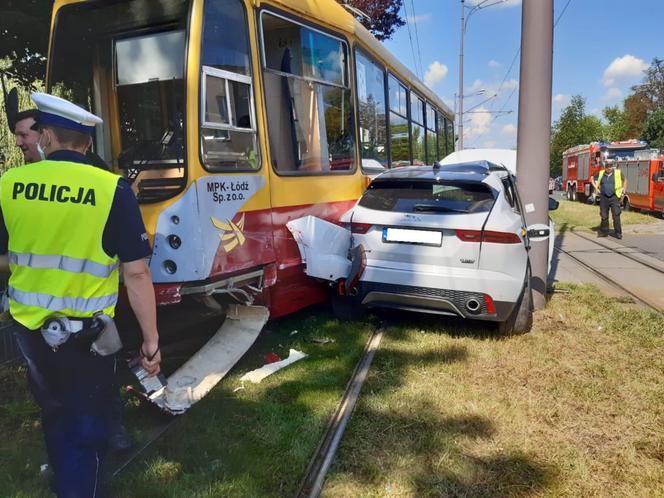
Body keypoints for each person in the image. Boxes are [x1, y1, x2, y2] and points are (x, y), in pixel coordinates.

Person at [0, 92, 161, 497]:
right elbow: (137, 273)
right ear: (88, 143)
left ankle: (65, 479)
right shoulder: (112, 190)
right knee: (88, 422)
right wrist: (150, 340)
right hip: (85, 336)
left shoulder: (9, 184)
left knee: (53, 410)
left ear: (46, 136)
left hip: (29, 330)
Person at [11, 106, 128, 451]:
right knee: (53, 390)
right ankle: (71, 453)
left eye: (25, 135)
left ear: (44, 135)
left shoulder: (97, 177)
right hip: (36, 314)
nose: (20, 143)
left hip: (85, 308)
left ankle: (108, 432)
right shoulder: (16, 183)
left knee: (97, 379)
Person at [592, 160, 628, 239]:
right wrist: (596, 188)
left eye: (610, 166)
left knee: (616, 215)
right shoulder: (601, 173)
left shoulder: (618, 173)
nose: (609, 168)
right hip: (604, 197)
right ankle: (604, 232)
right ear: (605, 166)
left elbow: (625, 180)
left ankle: (618, 233)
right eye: (607, 166)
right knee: (604, 216)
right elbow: (592, 179)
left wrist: (624, 191)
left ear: (612, 166)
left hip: (614, 197)